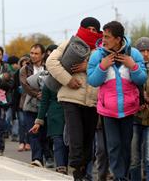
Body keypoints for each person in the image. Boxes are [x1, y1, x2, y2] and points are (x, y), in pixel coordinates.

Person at [87, 21, 147, 180]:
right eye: (103, 36)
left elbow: (142, 79)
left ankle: (123, 176)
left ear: (118, 38)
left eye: (107, 37)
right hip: (108, 111)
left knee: (126, 147)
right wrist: (102, 66)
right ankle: (119, 177)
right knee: (113, 146)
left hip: (128, 109)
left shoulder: (133, 54)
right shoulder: (97, 55)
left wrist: (132, 65)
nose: (103, 39)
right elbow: (92, 81)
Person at [46, 17, 103, 180]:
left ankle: (85, 171)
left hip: (92, 100)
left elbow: (106, 68)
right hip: (71, 98)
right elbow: (51, 62)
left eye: (95, 30)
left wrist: (88, 66)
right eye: (88, 28)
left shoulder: (101, 49)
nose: (91, 32)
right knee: (76, 137)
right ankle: (77, 172)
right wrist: (68, 80)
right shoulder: (71, 43)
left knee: (88, 138)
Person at [129, 37, 149, 181]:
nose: (145, 54)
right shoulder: (130, 68)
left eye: (148, 51)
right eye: (142, 51)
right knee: (134, 160)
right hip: (134, 118)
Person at [20, 44, 53, 167]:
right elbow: (25, 85)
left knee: (45, 134)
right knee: (33, 133)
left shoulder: (49, 66)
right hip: (30, 105)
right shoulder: (25, 69)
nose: (33, 56)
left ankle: (48, 156)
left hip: (46, 106)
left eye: (36, 53)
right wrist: (37, 94)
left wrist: (45, 95)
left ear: (43, 55)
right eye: (31, 53)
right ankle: (37, 158)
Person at [29, 82, 69, 175]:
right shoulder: (49, 82)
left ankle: (66, 165)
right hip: (55, 115)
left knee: (69, 143)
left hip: (71, 113)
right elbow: (44, 102)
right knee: (58, 141)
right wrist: (38, 122)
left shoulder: (71, 78)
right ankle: (61, 167)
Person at [13, 55, 31, 152]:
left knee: (29, 123)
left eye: (26, 63)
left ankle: (28, 142)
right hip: (20, 102)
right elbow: (14, 91)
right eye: (23, 63)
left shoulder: (32, 73)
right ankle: (21, 142)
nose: (25, 65)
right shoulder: (17, 74)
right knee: (21, 123)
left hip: (30, 101)